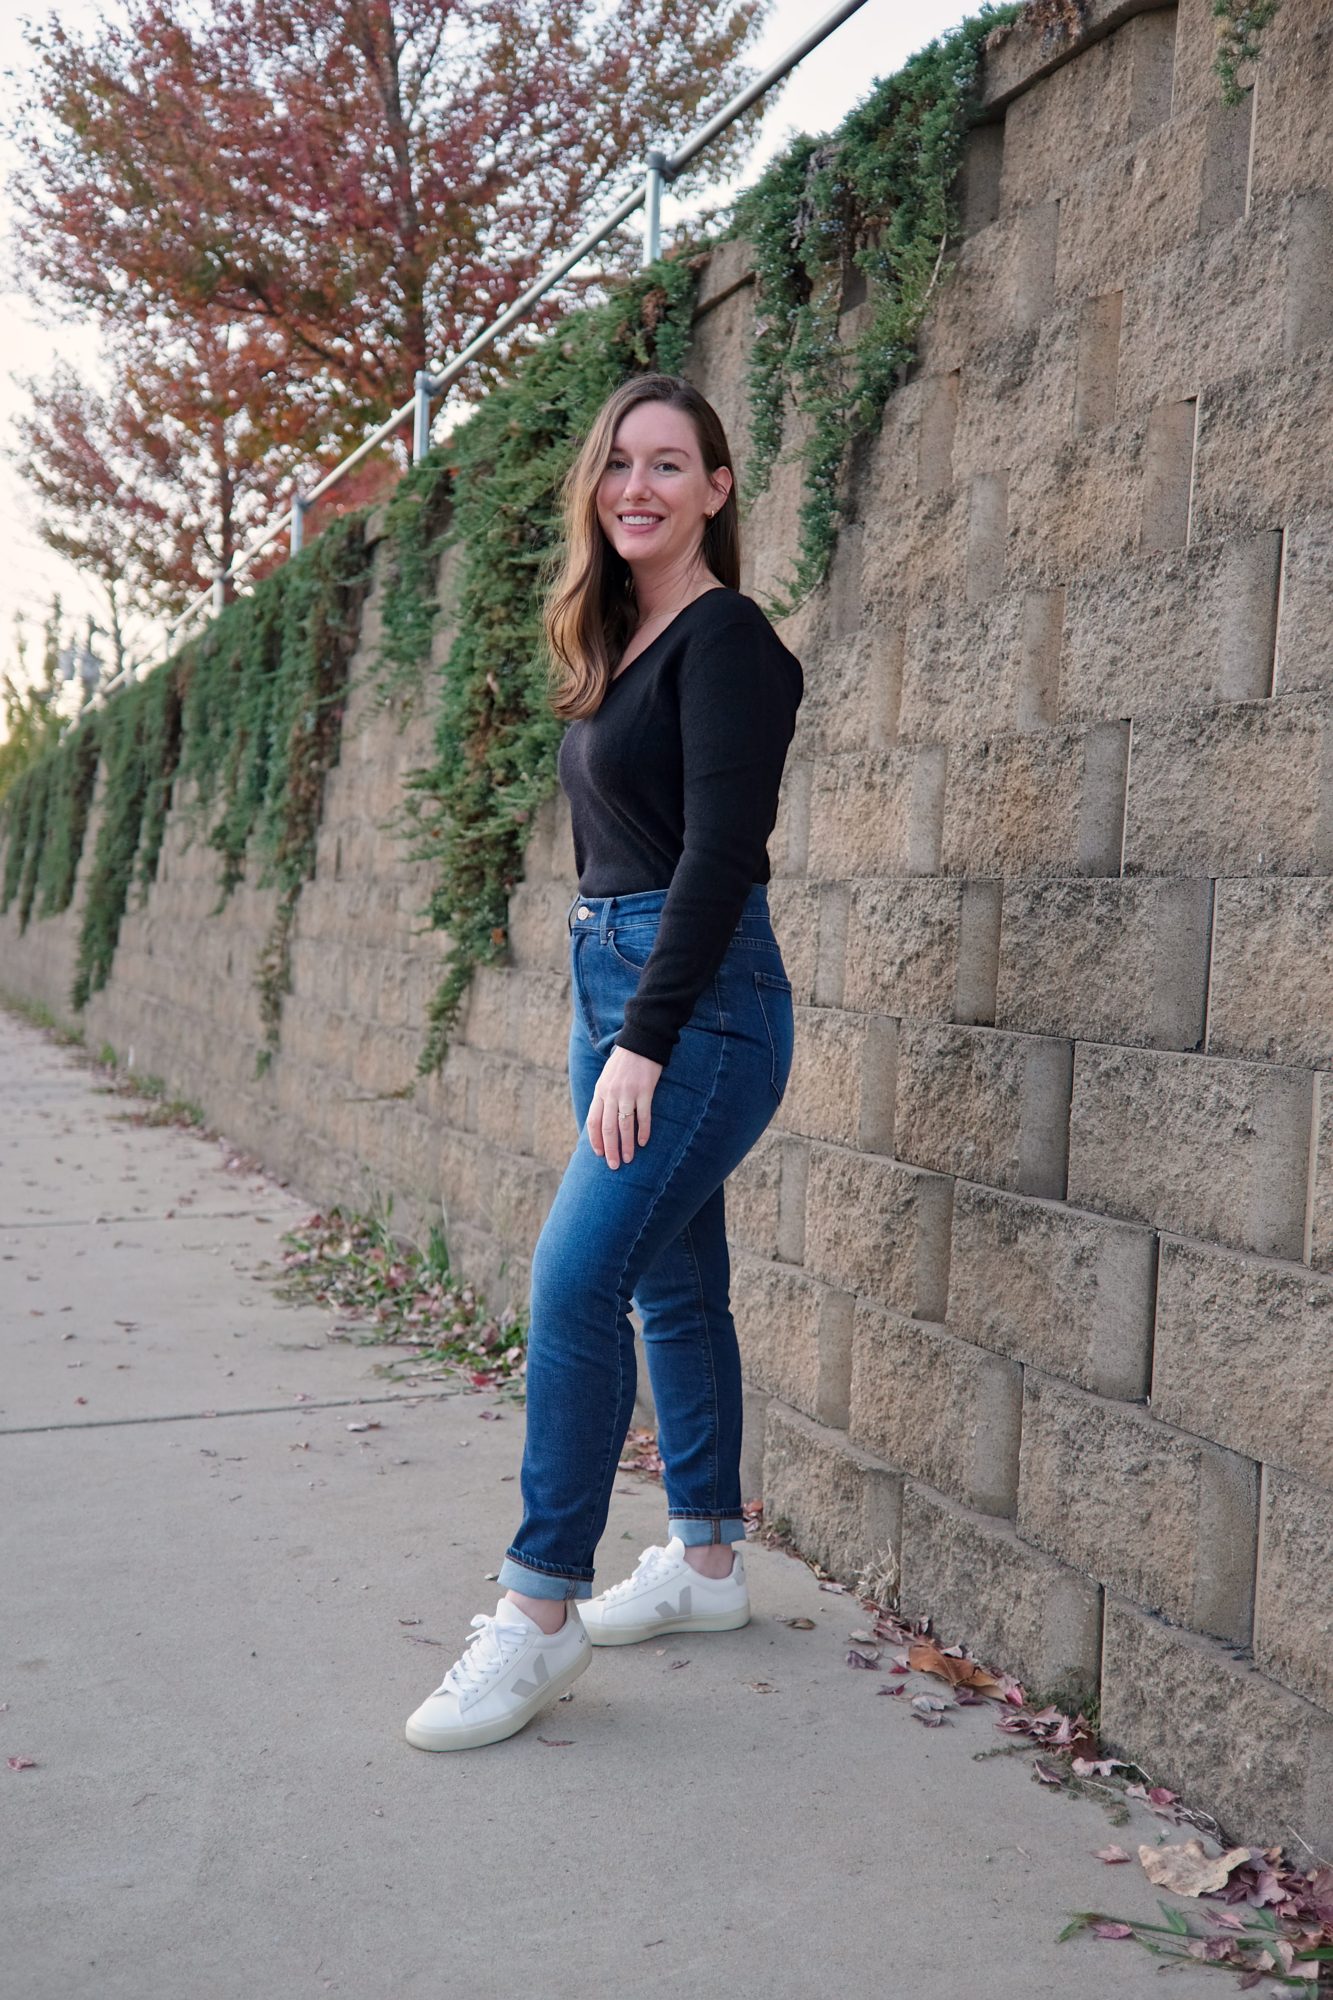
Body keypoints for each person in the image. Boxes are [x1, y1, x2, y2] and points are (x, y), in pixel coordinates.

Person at [405, 371, 804, 1752]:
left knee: (574, 1282)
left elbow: (719, 858)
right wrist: (606, 1018)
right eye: (617, 462)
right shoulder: (622, 645)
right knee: (675, 1284)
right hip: (616, 987)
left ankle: (537, 1613)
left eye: (668, 464)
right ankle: (703, 1563)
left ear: (716, 489)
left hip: (694, 1007)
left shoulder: (727, 641)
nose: (636, 485)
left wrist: (641, 1039)